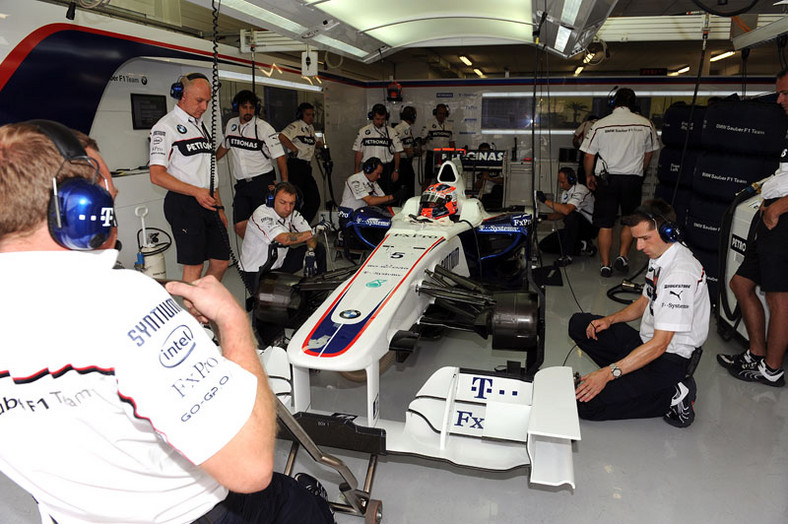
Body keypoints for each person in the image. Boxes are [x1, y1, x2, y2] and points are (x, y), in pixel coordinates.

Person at [0, 120, 333, 524]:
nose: (115, 192)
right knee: (304, 507)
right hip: (189, 511)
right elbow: (250, 468)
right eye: (104, 186)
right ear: (80, 208)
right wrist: (232, 321)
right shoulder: (124, 301)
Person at [569, 199, 709, 427]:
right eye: (636, 239)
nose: (639, 248)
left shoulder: (679, 275)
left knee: (586, 406)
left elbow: (661, 345)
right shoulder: (660, 257)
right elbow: (644, 303)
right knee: (580, 324)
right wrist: (609, 320)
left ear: (668, 232)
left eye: (645, 238)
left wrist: (607, 374)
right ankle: (629, 375)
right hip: (644, 344)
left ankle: (673, 394)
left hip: (667, 360)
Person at [717, 68, 788, 387]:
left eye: (786, 93)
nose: (780, 100)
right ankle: (756, 353)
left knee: (779, 299)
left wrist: (779, 208)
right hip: (771, 218)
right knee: (740, 283)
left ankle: (772, 369)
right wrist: (766, 194)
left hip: (783, 221)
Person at [149, 72, 229, 283]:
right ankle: (193, 314)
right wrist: (196, 192)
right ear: (180, 95)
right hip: (184, 203)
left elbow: (208, 171)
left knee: (221, 261)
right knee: (194, 266)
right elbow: (156, 176)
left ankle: (202, 304)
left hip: (208, 201)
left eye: (207, 102)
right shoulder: (165, 127)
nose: (204, 107)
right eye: (199, 101)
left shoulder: (200, 126)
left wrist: (219, 208)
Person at [580, 88, 660, 278]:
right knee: (629, 220)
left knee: (605, 223)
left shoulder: (600, 124)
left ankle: (605, 265)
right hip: (632, 179)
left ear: (613, 103)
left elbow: (589, 155)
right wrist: (641, 172)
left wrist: (589, 175)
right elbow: (649, 152)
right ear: (634, 104)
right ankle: (623, 256)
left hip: (607, 179)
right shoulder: (646, 124)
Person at [216, 90, 288, 238]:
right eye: (244, 107)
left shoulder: (264, 128)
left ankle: (270, 258)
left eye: (251, 107)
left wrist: (284, 185)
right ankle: (257, 255)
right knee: (240, 227)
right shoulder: (231, 125)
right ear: (237, 108)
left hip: (262, 183)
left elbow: (280, 157)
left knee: (265, 225)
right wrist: (210, 160)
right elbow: (225, 146)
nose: (248, 111)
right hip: (242, 186)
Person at [240, 182, 327, 285]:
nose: (288, 208)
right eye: (283, 202)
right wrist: (313, 232)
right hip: (255, 270)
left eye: (292, 203)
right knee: (286, 299)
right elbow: (284, 239)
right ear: (271, 200)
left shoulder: (293, 214)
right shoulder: (261, 214)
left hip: (280, 262)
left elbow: (309, 236)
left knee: (319, 249)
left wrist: (311, 252)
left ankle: (320, 290)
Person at [537, 166, 597, 266]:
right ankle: (583, 246)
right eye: (559, 182)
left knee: (571, 216)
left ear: (571, 179)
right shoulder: (565, 193)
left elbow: (567, 210)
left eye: (562, 182)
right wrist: (544, 217)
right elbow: (561, 213)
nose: (560, 185)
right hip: (573, 228)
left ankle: (567, 256)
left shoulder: (581, 189)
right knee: (544, 245)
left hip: (588, 227)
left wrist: (545, 201)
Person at [279, 102, 323, 224]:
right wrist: (293, 148)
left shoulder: (311, 128)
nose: (311, 117)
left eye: (313, 115)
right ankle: (290, 226)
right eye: (308, 115)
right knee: (295, 199)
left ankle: (302, 224)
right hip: (296, 166)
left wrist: (319, 144)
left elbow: (315, 141)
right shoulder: (296, 126)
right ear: (301, 115)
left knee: (314, 199)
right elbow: (282, 136)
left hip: (307, 168)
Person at [352, 103, 403, 195]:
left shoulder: (391, 132)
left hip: (385, 169)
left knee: (385, 195)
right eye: (377, 119)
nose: (380, 122)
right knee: (367, 195)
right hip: (368, 169)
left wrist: (396, 170)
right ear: (372, 117)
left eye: (382, 119)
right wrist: (356, 169)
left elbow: (397, 152)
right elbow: (359, 152)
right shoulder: (363, 131)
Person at [420, 103, 455, 184]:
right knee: (428, 179)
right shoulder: (428, 124)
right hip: (431, 155)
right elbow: (422, 141)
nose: (441, 115)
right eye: (440, 113)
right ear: (436, 113)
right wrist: (425, 137)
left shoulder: (450, 126)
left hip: (445, 155)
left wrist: (453, 157)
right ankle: (423, 196)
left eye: (444, 114)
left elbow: (452, 143)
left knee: (445, 180)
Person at [393, 105, 418, 200]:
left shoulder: (407, 128)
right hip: (401, 162)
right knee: (405, 186)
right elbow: (393, 146)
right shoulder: (399, 128)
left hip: (407, 162)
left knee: (410, 185)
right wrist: (406, 150)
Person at [474, 142, 503, 210]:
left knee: (497, 188)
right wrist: (482, 178)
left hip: (495, 196)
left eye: (487, 152)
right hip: (483, 196)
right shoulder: (476, 167)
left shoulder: (496, 166)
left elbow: (503, 181)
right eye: (483, 153)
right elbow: (476, 187)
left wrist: (489, 178)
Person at [572, 114, 598, 185]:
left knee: (583, 174)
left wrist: (579, 148)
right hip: (598, 154)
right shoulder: (601, 124)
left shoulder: (586, 124)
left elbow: (575, 140)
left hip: (586, 151)